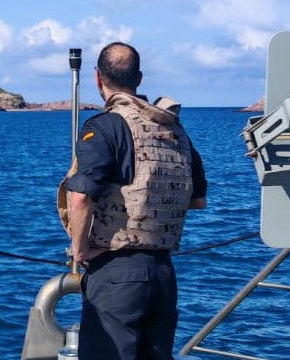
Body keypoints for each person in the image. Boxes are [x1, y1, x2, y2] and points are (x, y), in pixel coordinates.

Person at [64, 42, 207, 359]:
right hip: (163, 274)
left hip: (116, 272)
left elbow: (80, 196)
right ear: (139, 78)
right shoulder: (175, 130)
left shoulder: (105, 126)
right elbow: (197, 200)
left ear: (98, 79)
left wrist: (80, 249)